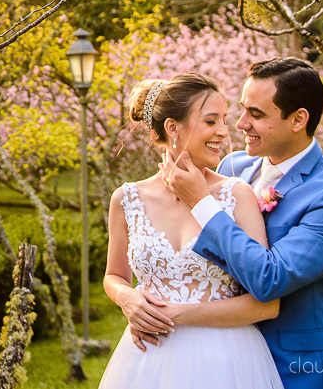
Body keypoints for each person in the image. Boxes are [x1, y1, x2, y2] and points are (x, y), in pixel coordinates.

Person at [166, 57, 323, 389]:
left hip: (299, 370)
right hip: (224, 359)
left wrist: (201, 202)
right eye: (242, 110)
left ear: (298, 119)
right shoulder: (233, 167)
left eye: (256, 114)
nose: (241, 124)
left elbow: (271, 279)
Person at [99, 73, 284, 389]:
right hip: (144, 363)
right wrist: (126, 297)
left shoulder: (237, 195)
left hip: (227, 362)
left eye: (224, 121)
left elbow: (266, 304)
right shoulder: (127, 199)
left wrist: (176, 314)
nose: (224, 133)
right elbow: (114, 276)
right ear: (172, 127)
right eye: (211, 121)